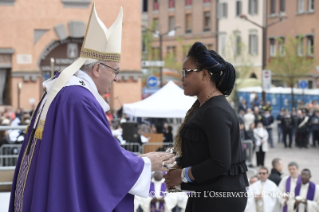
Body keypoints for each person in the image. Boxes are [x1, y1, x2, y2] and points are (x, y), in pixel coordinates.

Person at [8, 5, 174, 212]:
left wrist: (139, 161)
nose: (117, 77)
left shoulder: (65, 91)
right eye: (115, 71)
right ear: (96, 68)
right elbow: (102, 161)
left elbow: (91, 154)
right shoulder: (80, 100)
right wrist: (145, 163)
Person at [163, 42, 249, 212]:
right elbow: (204, 154)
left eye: (186, 72)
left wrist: (182, 175)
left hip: (219, 199)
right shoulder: (208, 107)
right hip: (209, 194)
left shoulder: (215, 110)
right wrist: (173, 163)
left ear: (203, 75)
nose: (182, 78)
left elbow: (220, 163)